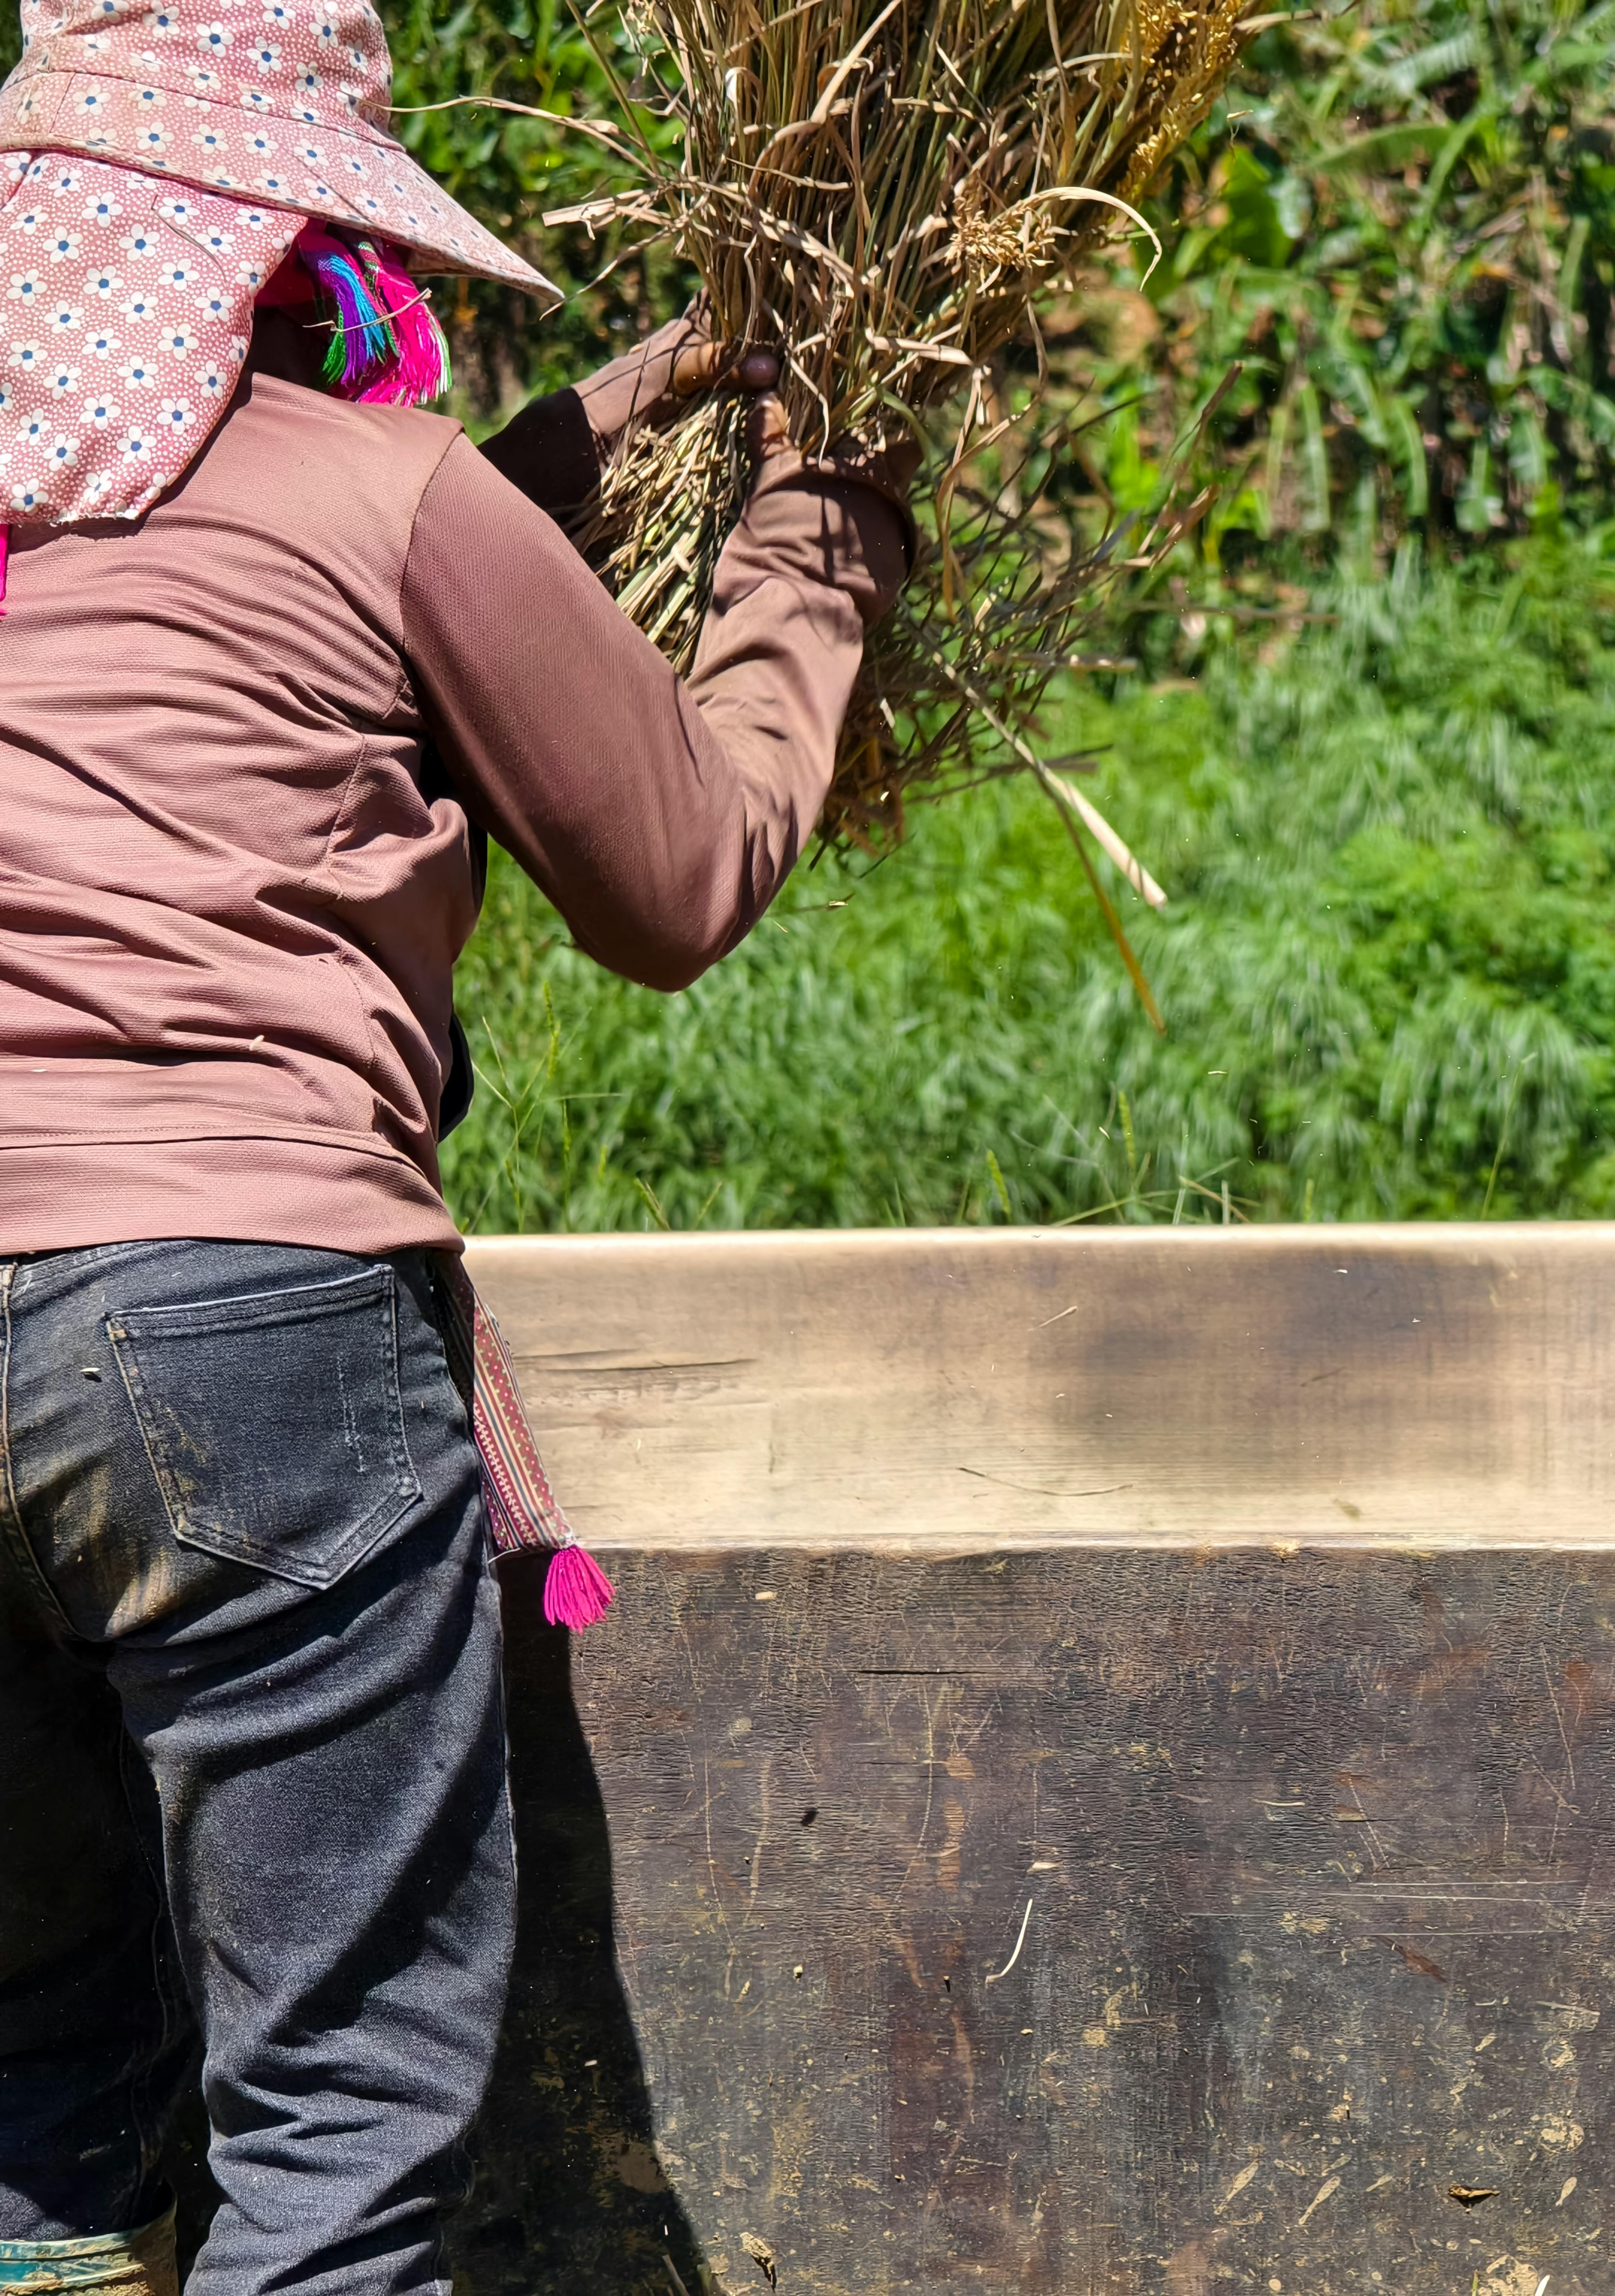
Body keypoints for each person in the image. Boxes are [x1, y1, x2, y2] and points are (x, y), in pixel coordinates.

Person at [0, 0, 911, 2283]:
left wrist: (617, 414)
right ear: (269, 235)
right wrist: (817, 540)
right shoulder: (369, 494)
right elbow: (680, 877)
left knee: (36, 2082)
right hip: (222, 1331)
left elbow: (268, 573)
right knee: (336, 2125)